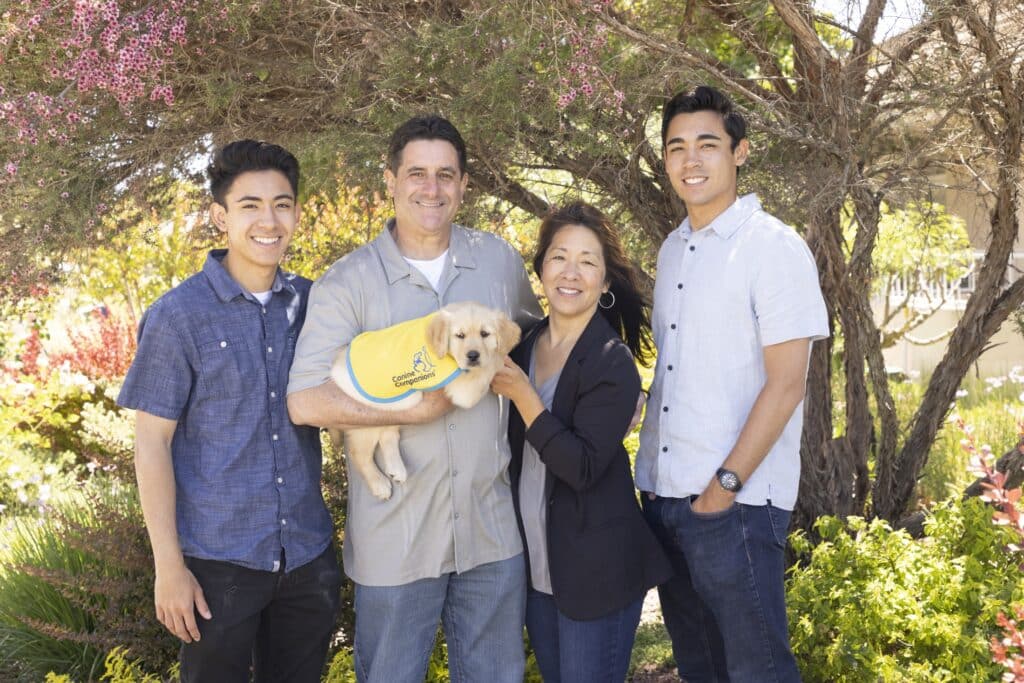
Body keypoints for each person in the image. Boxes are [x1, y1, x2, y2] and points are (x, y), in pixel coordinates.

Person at [287, 115, 542, 683]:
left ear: (464, 184)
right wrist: (408, 411)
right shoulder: (347, 282)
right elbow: (305, 401)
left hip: (490, 533)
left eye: (446, 175)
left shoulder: (499, 263)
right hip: (395, 540)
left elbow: (538, 342)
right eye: (418, 173)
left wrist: (610, 380)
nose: (432, 188)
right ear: (391, 180)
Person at [117, 140, 341, 682]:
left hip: (307, 559)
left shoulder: (317, 305)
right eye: (250, 205)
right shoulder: (178, 317)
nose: (269, 220)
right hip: (219, 567)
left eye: (282, 204)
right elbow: (151, 443)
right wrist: (168, 568)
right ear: (220, 216)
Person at [635, 85, 828, 682]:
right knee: (701, 670)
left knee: (758, 672)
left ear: (739, 152)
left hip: (733, 508)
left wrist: (722, 490)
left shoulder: (773, 246)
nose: (690, 160)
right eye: (677, 147)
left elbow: (788, 384)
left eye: (707, 144)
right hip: (666, 501)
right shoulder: (673, 249)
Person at [491, 202, 672, 683]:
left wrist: (525, 396)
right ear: (542, 268)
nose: (571, 273)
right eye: (559, 257)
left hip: (597, 573)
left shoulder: (611, 362)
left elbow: (582, 467)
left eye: (588, 262)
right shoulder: (522, 346)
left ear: (606, 283)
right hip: (535, 573)